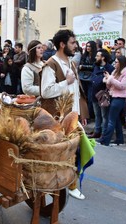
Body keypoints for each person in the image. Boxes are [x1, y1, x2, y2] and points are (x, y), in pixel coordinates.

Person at [41, 29, 89, 200]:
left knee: (76, 151)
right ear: (62, 44)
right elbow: (45, 92)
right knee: (66, 153)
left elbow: (76, 91)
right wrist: (65, 82)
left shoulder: (71, 63)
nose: (76, 46)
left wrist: (80, 113)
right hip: (58, 119)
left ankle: (71, 183)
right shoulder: (51, 64)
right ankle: (64, 184)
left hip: (73, 116)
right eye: (72, 43)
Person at [98, 56, 126, 146]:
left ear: (121, 63)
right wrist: (107, 79)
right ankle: (120, 139)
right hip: (112, 96)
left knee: (111, 120)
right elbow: (109, 85)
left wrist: (110, 79)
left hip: (120, 98)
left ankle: (105, 140)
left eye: (116, 62)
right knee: (116, 120)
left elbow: (122, 86)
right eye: (115, 62)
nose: (115, 63)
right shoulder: (115, 71)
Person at [88, 49, 114, 139]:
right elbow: (92, 78)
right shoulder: (95, 66)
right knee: (97, 115)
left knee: (104, 116)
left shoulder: (110, 68)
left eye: (97, 56)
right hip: (94, 94)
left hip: (103, 95)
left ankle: (104, 133)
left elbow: (110, 81)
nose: (95, 57)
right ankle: (97, 131)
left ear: (103, 57)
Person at [79, 40, 97, 120]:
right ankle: (84, 115)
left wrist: (84, 67)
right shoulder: (84, 56)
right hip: (83, 78)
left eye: (89, 46)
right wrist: (84, 67)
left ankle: (89, 115)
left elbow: (94, 67)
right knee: (84, 97)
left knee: (90, 98)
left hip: (91, 79)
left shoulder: (95, 56)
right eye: (87, 46)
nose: (88, 48)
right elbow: (79, 66)